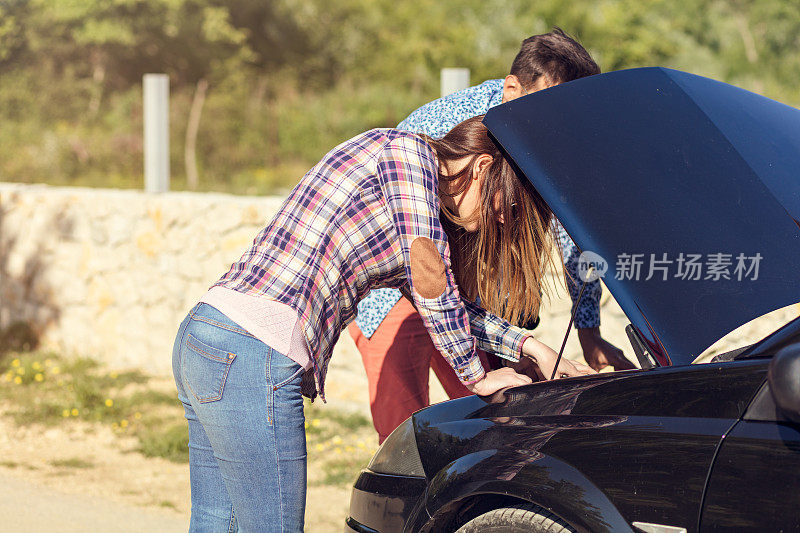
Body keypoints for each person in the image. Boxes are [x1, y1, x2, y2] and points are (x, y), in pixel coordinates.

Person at [172, 115, 594, 531]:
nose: (505, 219)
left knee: (214, 522)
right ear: (483, 166)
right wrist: (475, 376)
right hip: (250, 352)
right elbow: (433, 286)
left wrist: (529, 346)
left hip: (209, 338)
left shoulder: (402, 201)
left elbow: (446, 302)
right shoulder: (407, 157)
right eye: (511, 204)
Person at [351, 28, 634, 443]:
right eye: (548, 110)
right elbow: (409, 239)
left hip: (470, 302)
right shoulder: (438, 125)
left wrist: (588, 329)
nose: (556, 127)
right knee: (406, 440)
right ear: (512, 88)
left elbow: (569, 233)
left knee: (494, 427)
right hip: (396, 293)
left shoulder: (547, 139)